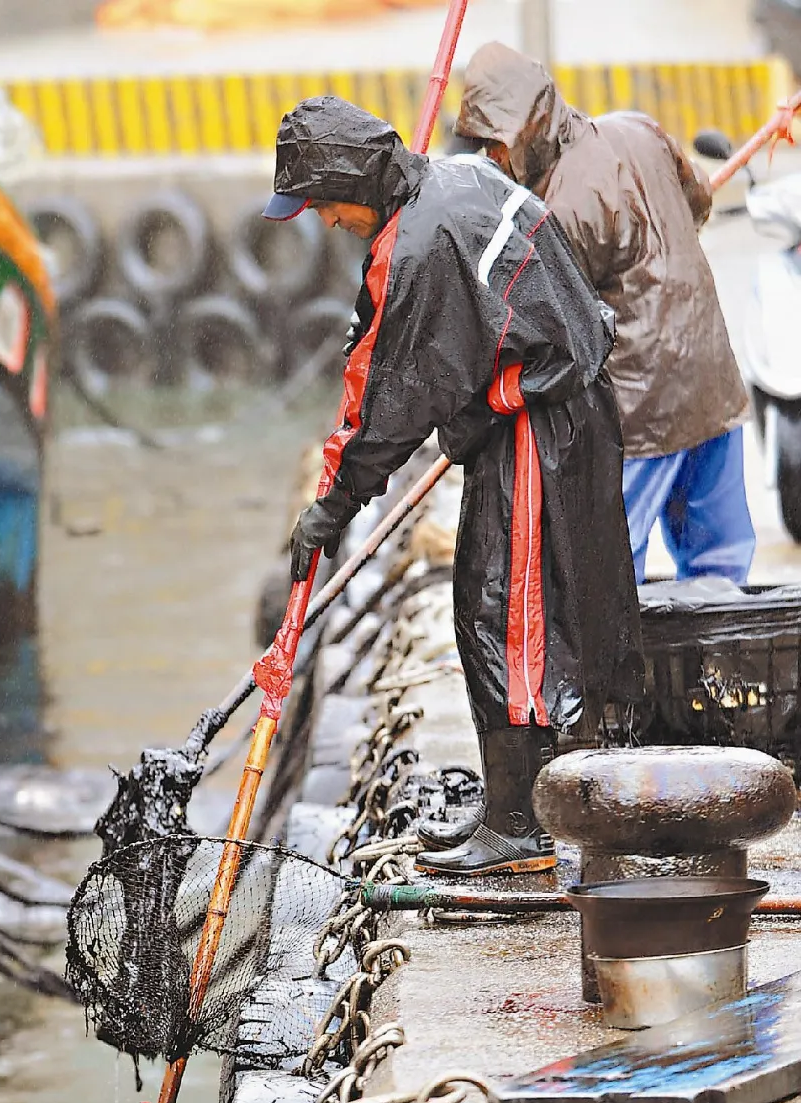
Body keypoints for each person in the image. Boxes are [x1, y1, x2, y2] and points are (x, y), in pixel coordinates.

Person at [265, 95, 642, 877]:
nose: (325, 222)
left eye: (323, 204)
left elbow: (391, 404)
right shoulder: (452, 179)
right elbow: (391, 336)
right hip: (538, 416)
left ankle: (521, 826)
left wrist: (334, 506)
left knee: (508, 619)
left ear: (351, 183)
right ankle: (517, 808)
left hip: (544, 429)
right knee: (492, 603)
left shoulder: (424, 243)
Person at [456, 42, 755, 586]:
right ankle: (725, 667)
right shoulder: (639, 128)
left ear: (527, 129)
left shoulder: (557, 210)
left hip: (642, 413)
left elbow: (551, 327)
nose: (492, 161)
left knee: (611, 572)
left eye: (494, 146)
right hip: (712, 379)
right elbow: (698, 204)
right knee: (721, 569)